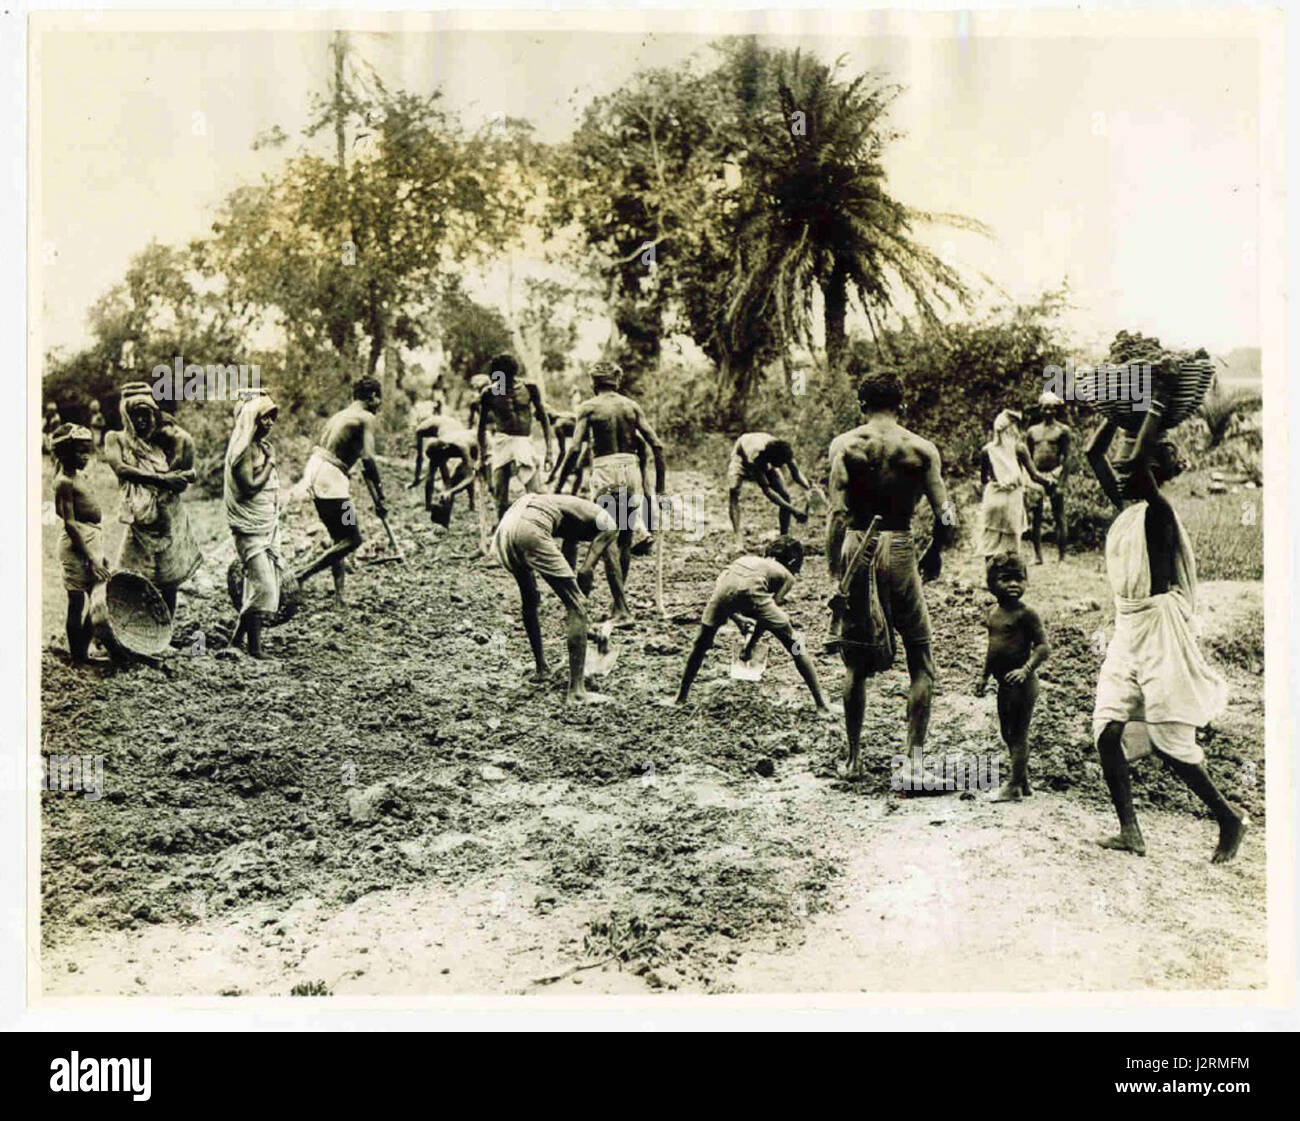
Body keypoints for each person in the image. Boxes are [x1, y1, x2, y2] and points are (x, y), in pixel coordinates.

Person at [1085, 419, 1246, 862]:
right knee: (1107, 729)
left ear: (1151, 474)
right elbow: (1091, 454)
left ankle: (1228, 817)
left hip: (1159, 630)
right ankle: (1130, 831)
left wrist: (1150, 408)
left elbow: (1134, 463)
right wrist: (1116, 411)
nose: (1121, 471)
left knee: (1170, 740)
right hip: (1128, 627)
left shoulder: (1159, 512)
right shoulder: (1129, 507)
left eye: (1135, 467)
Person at [827, 364, 955, 781]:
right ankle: (913, 765)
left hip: (855, 542)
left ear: (862, 404)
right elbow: (946, 516)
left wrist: (837, 574)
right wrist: (934, 551)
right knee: (920, 658)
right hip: (899, 545)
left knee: (854, 663)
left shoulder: (845, 445)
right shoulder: (921, 449)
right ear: (901, 404)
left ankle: (852, 760)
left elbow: (836, 512)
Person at [673, 536, 835, 716]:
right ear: (794, 562)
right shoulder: (787, 576)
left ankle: (681, 697)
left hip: (723, 587)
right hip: (751, 591)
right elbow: (765, 617)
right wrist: (750, 646)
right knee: (796, 645)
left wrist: (737, 618)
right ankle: (821, 704)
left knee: (701, 643)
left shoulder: (747, 559)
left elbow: (726, 592)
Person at [557, 360, 666, 623]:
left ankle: (620, 607)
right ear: (617, 382)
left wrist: (559, 485)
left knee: (606, 537)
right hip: (630, 470)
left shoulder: (589, 407)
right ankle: (618, 604)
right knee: (624, 539)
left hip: (605, 470)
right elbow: (657, 445)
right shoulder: (631, 406)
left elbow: (573, 449)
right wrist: (660, 491)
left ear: (593, 383)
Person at [491, 492, 620, 705]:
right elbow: (584, 574)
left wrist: (582, 624)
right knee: (578, 605)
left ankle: (541, 668)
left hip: (507, 528)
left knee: (530, 599)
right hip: (531, 526)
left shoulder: (574, 513)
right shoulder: (611, 522)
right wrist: (580, 609)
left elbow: (568, 561)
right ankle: (577, 692)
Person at [102, 383, 201, 616]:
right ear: (125, 415)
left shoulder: (161, 439)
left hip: (167, 516)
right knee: (129, 577)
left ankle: (164, 629)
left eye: (146, 414)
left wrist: (184, 475)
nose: (141, 421)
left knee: (168, 580)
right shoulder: (115, 438)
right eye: (135, 415)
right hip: (138, 520)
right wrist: (163, 479)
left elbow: (187, 465)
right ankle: (126, 627)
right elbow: (121, 468)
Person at [294, 377, 387, 609]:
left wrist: (376, 498)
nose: (380, 404)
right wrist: (381, 495)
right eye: (379, 398)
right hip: (331, 477)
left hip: (315, 470)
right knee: (352, 539)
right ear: (372, 397)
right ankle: (301, 575)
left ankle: (339, 597)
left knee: (340, 538)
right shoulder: (367, 417)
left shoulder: (340, 415)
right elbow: (368, 459)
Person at [976, 551, 1050, 802]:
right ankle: (1023, 781)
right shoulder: (993, 614)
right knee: (1007, 732)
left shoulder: (1026, 614)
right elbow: (992, 648)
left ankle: (1013, 785)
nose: (1014, 585)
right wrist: (984, 677)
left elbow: (1043, 647)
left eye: (1019, 578)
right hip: (1003, 685)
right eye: (1006, 579)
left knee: (1018, 734)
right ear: (991, 584)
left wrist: (1026, 669)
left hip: (1023, 683)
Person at [224, 393, 282, 659]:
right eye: (264, 417)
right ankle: (253, 647)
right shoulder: (243, 451)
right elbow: (248, 488)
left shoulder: (260, 446)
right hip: (249, 528)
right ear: (251, 420)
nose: (269, 423)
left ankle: (241, 642)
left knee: (255, 585)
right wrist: (270, 464)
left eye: (272, 417)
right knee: (264, 588)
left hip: (264, 525)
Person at [52, 425, 109, 665]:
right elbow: (70, 524)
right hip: (77, 545)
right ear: (66, 453)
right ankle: (78, 656)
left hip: (91, 539)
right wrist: (91, 558)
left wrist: (97, 553)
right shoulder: (64, 482)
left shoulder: (79, 475)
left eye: (88, 451)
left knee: (98, 596)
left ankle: (83, 651)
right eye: (80, 452)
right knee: (77, 601)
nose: (86, 457)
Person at [475, 354, 555, 522]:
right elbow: (481, 427)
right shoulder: (490, 393)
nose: (500, 382)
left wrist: (549, 452)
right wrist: (481, 457)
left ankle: (538, 529)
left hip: (523, 442)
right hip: (502, 441)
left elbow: (544, 418)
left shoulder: (529, 388)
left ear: (511, 374)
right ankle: (502, 534)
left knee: (535, 495)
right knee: (501, 497)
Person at [977, 409, 1053, 563]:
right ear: (1013, 428)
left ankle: (990, 577)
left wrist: (998, 483)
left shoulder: (987, 450)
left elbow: (984, 479)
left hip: (993, 497)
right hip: (1012, 498)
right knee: (1011, 541)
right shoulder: (1019, 448)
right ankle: (1009, 577)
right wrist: (1049, 482)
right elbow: (1034, 475)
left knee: (990, 539)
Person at [726, 432, 811, 546]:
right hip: (741, 457)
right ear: (772, 459)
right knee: (734, 490)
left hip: (765, 454)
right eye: (779, 464)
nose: (780, 467)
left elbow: (796, 474)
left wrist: (809, 488)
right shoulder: (756, 455)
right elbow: (767, 490)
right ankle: (738, 538)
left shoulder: (783, 451)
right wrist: (794, 511)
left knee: (785, 495)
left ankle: (783, 537)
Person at [1026, 390, 1073, 563]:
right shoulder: (1032, 431)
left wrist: (1061, 482)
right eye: (1046, 408)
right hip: (1036, 476)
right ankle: (1037, 555)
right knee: (1036, 515)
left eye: (1052, 409)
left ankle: (1062, 556)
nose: (1049, 412)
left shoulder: (1063, 430)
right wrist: (1029, 478)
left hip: (1055, 474)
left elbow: (1067, 458)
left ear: (1056, 410)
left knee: (1059, 515)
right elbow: (1028, 456)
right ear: (1040, 409)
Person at [409, 408, 478, 519]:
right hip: (459, 432)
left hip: (454, 438)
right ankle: (470, 503)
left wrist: (416, 478)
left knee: (435, 465)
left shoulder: (420, 429)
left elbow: (419, 457)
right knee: (454, 466)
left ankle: (431, 503)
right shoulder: (439, 422)